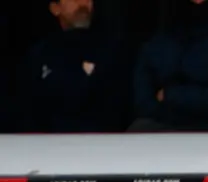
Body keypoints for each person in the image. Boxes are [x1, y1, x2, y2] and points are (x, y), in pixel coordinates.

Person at [130, 0, 208, 131]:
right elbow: (144, 103)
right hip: (167, 128)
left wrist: (170, 96)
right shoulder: (157, 42)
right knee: (139, 129)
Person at [16, 0, 131, 132]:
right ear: (55, 8)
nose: (83, 3)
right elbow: (29, 110)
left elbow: (119, 107)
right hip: (49, 141)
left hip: (102, 140)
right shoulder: (40, 54)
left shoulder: (113, 50)